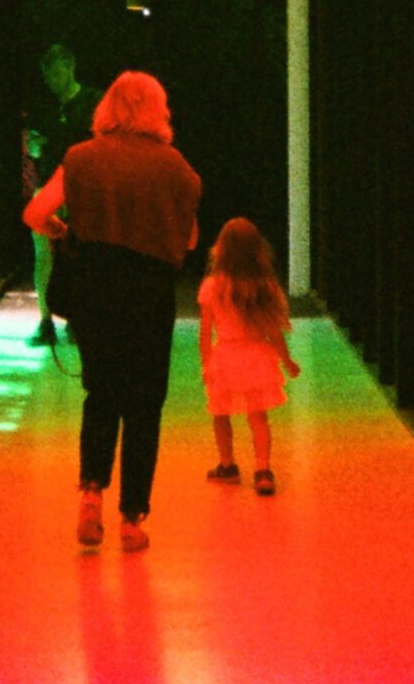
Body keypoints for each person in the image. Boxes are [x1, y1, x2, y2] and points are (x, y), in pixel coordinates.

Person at [24, 70, 200, 552]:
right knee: (144, 405)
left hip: (95, 292)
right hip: (149, 294)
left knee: (100, 394)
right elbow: (187, 238)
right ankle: (131, 520)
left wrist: (63, 231)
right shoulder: (175, 167)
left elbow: (36, 214)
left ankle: (90, 496)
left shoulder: (81, 159)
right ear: (157, 109)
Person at [198, 218, 301, 497]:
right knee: (258, 417)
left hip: (225, 355)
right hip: (257, 355)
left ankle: (227, 465)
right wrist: (287, 361)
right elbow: (274, 331)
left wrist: (206, 362)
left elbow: (205, 333)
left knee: (220, 413)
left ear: (221, 249)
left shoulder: (212, 287)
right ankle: (263, 470)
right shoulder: (264, 287)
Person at [21, 43, 99, 345]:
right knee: (43, 253)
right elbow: (34, 148)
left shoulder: (93, 101)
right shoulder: (45, 106)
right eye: (48, 75)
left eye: (56, 73)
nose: (52, 81)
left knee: (79, 254)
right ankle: (46, 320)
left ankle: (74, 317)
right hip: (52, 183)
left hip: (82, 187)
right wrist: (35, 150)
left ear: (70, 67)